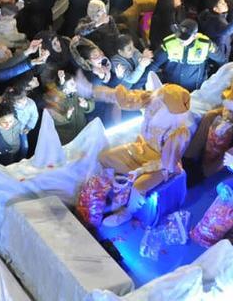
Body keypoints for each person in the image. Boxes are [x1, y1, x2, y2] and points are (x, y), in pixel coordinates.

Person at [83, 82, 194, 227]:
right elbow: (125, 98)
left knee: (139, 185)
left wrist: (141, 170)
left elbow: (168, 163)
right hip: (140, 148)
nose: (155, 104)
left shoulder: (179, 133)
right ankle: (110, 195)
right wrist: (92, 91)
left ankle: (127, 212)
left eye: (161, 103)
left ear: (170, 112)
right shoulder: (152, 99)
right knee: (105, 157)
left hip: (161, 164)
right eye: (159, 98)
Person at [147, 19, 227, 91]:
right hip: (171, 90)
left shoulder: (205, 45)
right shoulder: (169, 43)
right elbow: (153, 65)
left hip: (195, 91)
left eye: (185, 38)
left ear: (194, 36)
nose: (180, 40)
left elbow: (222, 61)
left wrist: (217, 82)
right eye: (179, 36)